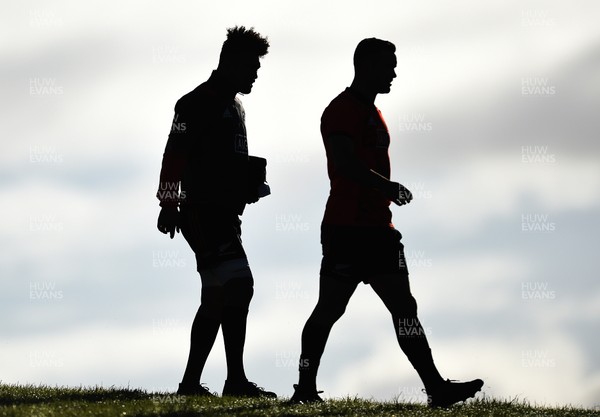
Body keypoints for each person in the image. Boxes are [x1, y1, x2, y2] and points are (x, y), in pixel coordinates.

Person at [290, 38, 483, 408]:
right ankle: (304, 387)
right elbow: (344, 163)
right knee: (329, 309)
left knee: (404, 307)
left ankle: (435, 388)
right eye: (387, 65)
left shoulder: (373, 111)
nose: (394, 72)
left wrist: (385, 193)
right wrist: (388, 186)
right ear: (364, 66)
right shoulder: (341, 110)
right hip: (346, 229)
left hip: (380, 231)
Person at [156, 26, 275, 398]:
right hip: (200, 212)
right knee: (241, 284)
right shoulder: (194, 102)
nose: (256, 73)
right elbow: (174, 154)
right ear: (232, 61)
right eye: (252, 66)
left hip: (225, 214)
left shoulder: (236, 106)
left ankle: (190, 385)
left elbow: (222, 162)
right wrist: (169, 203)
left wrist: (248, 184)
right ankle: (235, 381)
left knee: (217, 295)